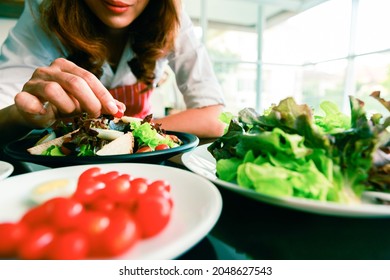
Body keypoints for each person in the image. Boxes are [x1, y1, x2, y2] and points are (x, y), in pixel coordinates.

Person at [0, 0, 225, 148]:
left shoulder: (170, 15)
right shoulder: (45, 10)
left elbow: (215, 118)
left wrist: (132, 132)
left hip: (144, 161)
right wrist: (22, 116)